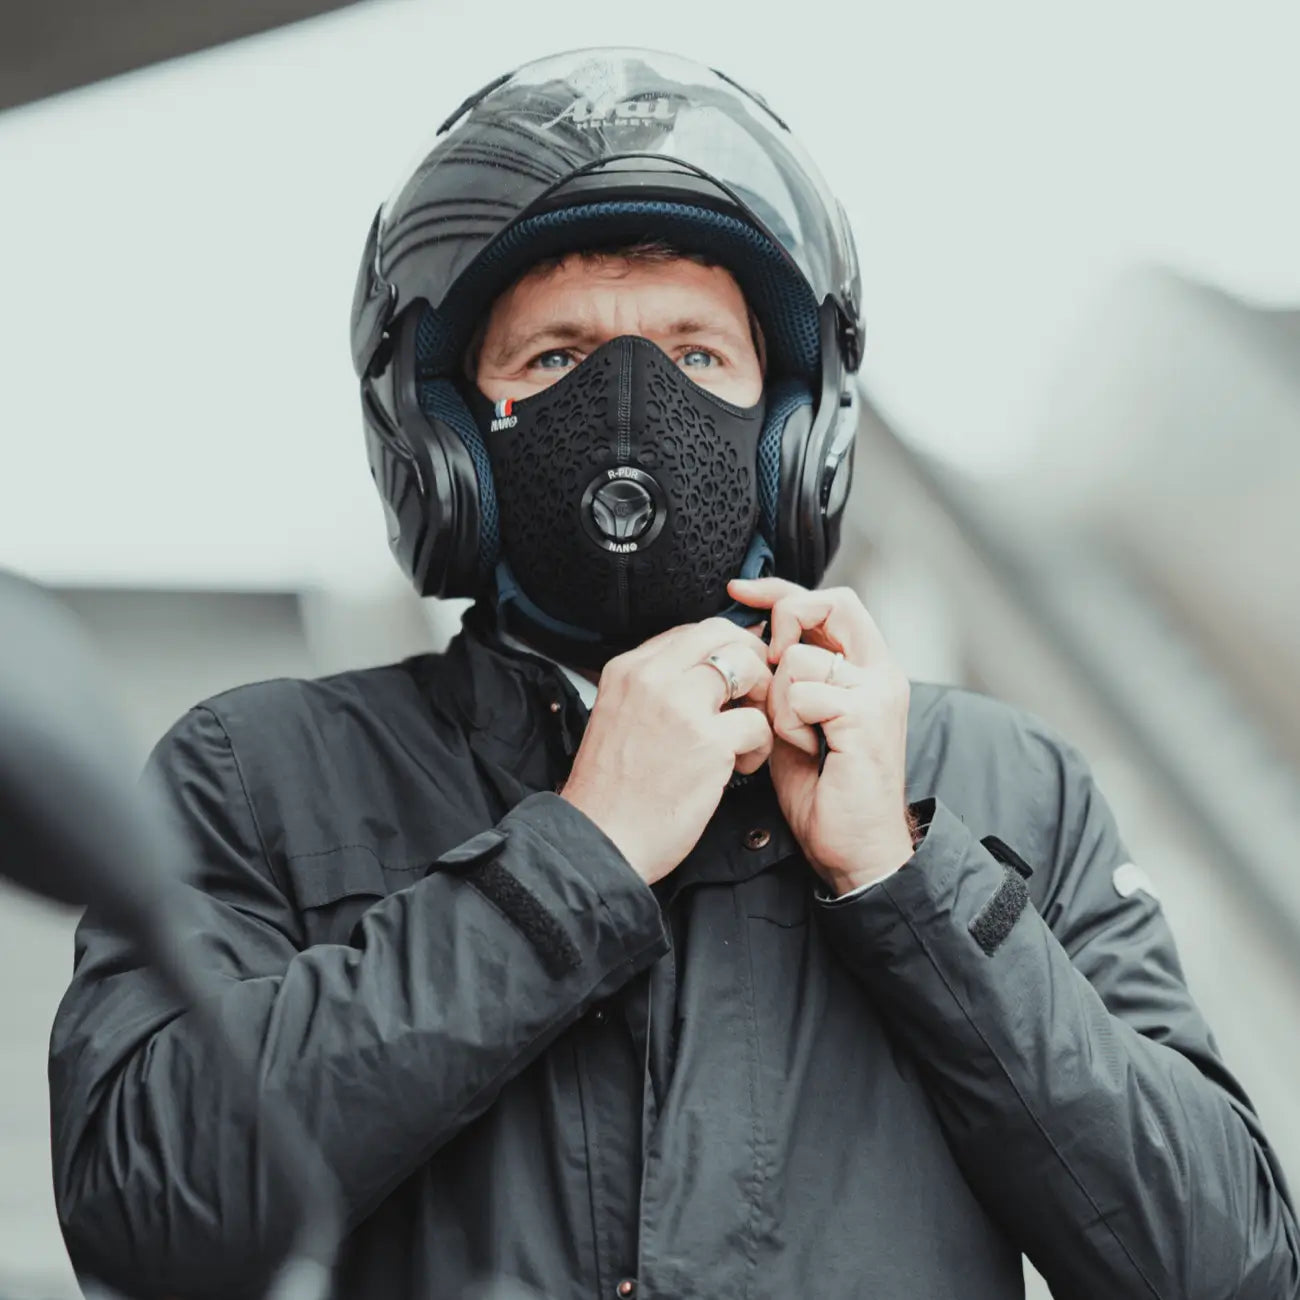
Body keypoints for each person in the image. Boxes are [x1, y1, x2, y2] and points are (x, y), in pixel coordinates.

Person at [49, 47, 1298, 1300]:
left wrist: (903, 876)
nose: (632, 407)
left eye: (698, 356)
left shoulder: (1006, 787)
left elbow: (1225, 1269)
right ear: (441, 444)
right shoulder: (256, 774)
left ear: (794, 432)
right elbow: (150, 1215)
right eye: (553, 359)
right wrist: (574, 857)